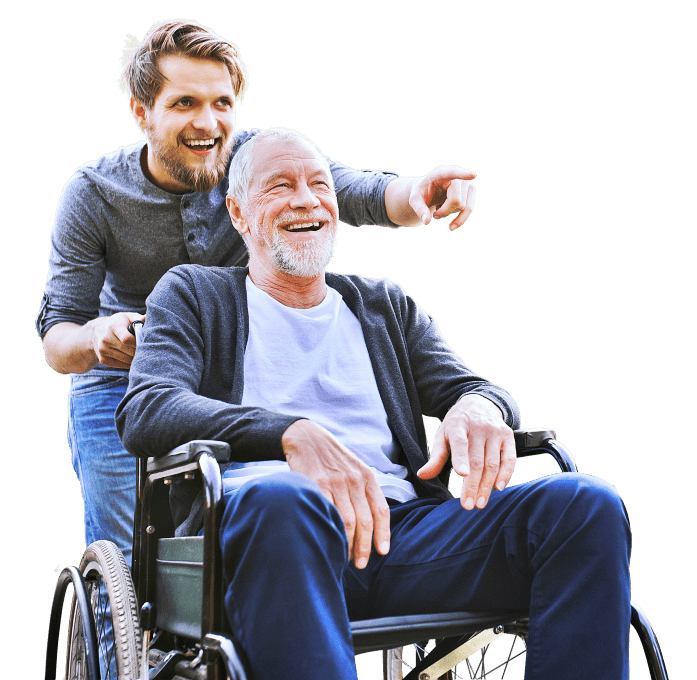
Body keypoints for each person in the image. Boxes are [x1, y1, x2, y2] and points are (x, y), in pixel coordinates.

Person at [116, 127, 632, 679]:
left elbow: (473, 387)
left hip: (403, 534)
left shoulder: (383, 305)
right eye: (280, 186)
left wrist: (481, 408)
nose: (306, 199)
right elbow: (148, 408)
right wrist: (290, 434)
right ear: (240, 215)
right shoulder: (195, 294)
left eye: (319, 184)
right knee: (284, 498)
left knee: (584, 505)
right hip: (269, 535)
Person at [36, 18, 478, 567]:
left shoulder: (255, 165)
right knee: (130, 562)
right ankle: (126, 645)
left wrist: (421, 192)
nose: (208, 122)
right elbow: (58, 339)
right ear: (140, 111)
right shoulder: (92, 195)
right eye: (184, 104)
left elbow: (354, 191)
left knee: (232, 534)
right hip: (118, 382)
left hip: (223, 371)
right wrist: (99, 338)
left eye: (223, 103)